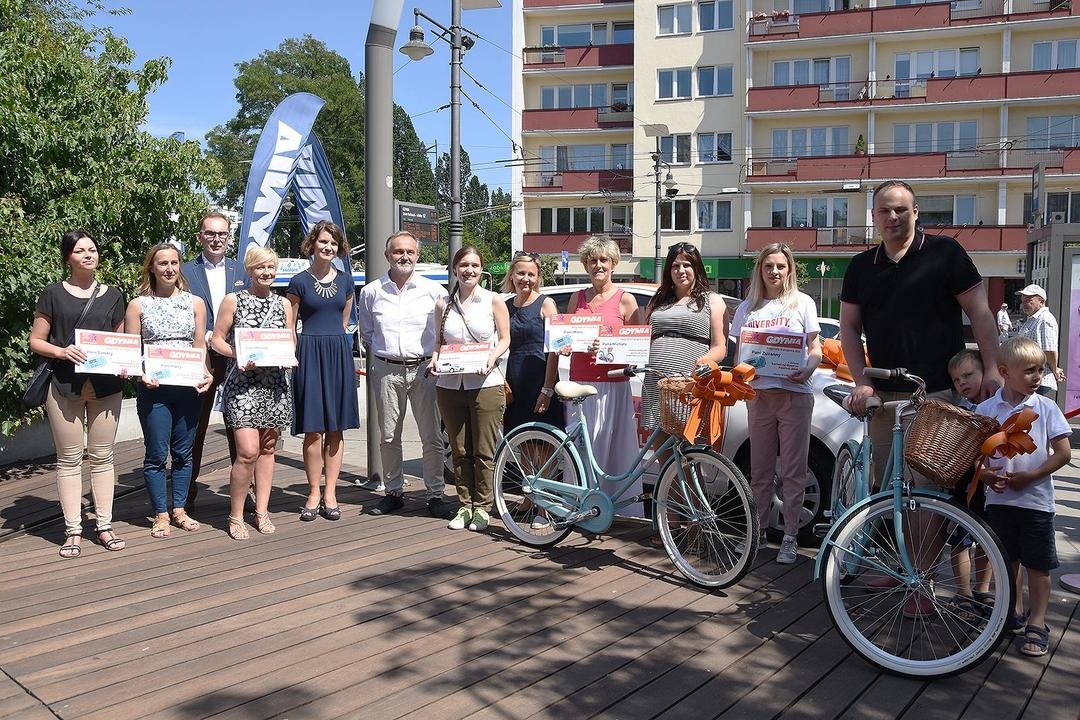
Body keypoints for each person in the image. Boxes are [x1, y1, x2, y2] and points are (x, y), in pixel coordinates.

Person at [840, 180, 1002, 616]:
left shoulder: (945, 253)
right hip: (883, 395)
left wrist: (991, 368)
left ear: (916, 213)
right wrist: (862, 381)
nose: (893, 217)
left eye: (901, 210)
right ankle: (904, 567)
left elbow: (980, 312)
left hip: (935, 394)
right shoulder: (861, 266)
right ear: (874, 217)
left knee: (927, 492)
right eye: (884, 211)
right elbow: (850, 330)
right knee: (892, 490)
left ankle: (922, 582)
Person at [29, 230, 128, 557]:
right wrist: (61, 352)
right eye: (80, 250)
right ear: (68, 257)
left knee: (102, 457)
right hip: (63, 385)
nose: (88, 255)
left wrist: (125, 363)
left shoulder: (114, 295)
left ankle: (103, 525)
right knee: (69, 459)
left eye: (92, 249)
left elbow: (121, 340)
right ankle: (72, 529)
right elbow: (36, 341)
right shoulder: (53, 294)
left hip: (106, 387)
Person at [975, 337, 1071, 658]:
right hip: (1000, 503)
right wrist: (987, 475)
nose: (1038, 376)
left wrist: (1032, 476)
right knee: (1006, 562)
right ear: (1004, 371)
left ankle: (1038, 620)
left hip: (1036, 503)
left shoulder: (1044, 407)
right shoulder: (986, 410)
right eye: (1029, 370)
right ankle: (1011, 612)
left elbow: (1063, 452)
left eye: (1041, 370)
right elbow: (975, 456)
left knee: (1038, 565)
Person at [730, 243, 821, 564]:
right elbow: (740, 354)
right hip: (760, 396)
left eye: (780, 266)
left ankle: (791, 536)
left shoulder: (803, 303)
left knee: (795, 471)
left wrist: (807, 369)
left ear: (789, 270)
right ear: (760, 270)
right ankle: (757, 535)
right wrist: (740, 376)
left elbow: (816, 349)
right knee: (760, 472)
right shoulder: (746, 308)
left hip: (795, 394)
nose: (774, 272)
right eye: (768, 266)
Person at [357, 231, 450, 519]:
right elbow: (367, 332)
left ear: (418, 255)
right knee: (388, 436)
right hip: (387, 369)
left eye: (410, 251)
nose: (404, 257)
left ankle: (435, 494)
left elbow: (444, 333)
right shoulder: (371, 291)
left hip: (424, 369)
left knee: (432, 436)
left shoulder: (435, 291)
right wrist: (387, 355)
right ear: (388, 255)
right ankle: (393, 492)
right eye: (398, 252)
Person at [125, 243, 213, 539]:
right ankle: (160, 514)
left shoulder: (195, 303)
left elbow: (199, 345)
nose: (169, 269)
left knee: (184, 453)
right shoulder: (138, 304)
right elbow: (130, 350)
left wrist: (207, 374)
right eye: (162, 263)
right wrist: (142, 372)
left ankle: (179, 509)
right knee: (156, 454)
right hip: (155, 390)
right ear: (151, 267)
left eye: (174, 263)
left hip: (188, 389)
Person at [210, 246, 294, 540]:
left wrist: (288, 356)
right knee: (247, 452)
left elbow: (290, 340)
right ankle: (235, 515)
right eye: (261, 267)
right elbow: (216, 340)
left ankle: (262, 511)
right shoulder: (233, 300)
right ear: (249, 270)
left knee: (268, 449)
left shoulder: (283, 304)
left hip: (274, 386)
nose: (267, 273)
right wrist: (237, 354)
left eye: (271, 267)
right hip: (243, 384)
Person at [431, 246, 510, 532]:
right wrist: (435, 360)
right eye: (464, 265)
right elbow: (438, 343)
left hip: (486, 383)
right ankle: (465, 505)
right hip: (450, 384)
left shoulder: (493, 300)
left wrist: (492, 357)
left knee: (484, 450)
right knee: (459, 449)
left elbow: (504, 338)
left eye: (475, 265)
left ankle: (483, 507)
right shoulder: (443, 303)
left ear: (482, 270)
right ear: (455, 269)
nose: (469, 270)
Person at [287, 220, 360, 522]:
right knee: (313, 429)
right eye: (323, 242)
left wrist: (339, 350)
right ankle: (313, 492)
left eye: (333, 243)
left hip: (337, 354)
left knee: (336, 428)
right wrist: (293, 358)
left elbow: (344, 322)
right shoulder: (299, 281)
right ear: (312, 244)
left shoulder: (345, 281)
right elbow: (290, 326)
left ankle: (331, 492)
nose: (328, 247)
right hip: (309, 354)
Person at [565, 235, 643, 515]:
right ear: (585, 264)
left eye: (604, 260)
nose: (598, 265)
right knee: (581, 447)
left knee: (616, 449)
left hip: (614, 384)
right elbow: (565, 338)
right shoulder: (577, 297)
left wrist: (609, 347)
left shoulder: (626, 300)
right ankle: (580, 504)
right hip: (580, 383)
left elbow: (636, 347)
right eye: (592, 260)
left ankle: (619, 510)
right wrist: (564, 346)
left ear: (613, 264)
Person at [183, 210, 248, 513]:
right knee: (194, 426)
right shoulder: (184, 271)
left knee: (240, 427)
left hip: (238, 358)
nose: (216, 238)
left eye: (222, 233)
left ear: (229, 237)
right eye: (210, 233)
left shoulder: (242, 271)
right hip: (201, 358)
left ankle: (243, 492)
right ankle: (187, 491)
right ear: (200, 237)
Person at [641, 242, 728, 442]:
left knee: (690, 455)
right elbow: (643, 338)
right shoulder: (658, 300)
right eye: (675, 266)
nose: (681, 270)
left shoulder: (712, 300)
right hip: (657, 385)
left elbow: (720, 347)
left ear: (696, 268)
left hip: (689, 385)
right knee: (663, 454)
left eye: (687, 265)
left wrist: (703, 362)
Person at [944, 349, 993, 617]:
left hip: (991, 486)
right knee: (961, 539)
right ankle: (963, 591)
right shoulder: (959, 410)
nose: (962, 383)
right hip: (963, 483)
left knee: (987, 540)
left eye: (968, 375)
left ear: (985, 373)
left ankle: (981, 589)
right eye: (956, 380)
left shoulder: (996, 405)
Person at [501, 251, 563, 433]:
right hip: (514, 382)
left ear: (537, 278)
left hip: (540, 380)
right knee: (521, 441)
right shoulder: (506, 306)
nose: (525, 279)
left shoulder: (546, 304)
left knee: (544, 442)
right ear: (511, 275)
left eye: (531, 274)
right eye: (521, 273)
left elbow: (556, 348)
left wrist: (547, 390)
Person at [1014, 284, 1065, 400]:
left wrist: (1055, 369)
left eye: (1029, 300)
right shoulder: (1032, 319)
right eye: (1023, 301)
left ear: (1041, 301)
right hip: (1029, 378)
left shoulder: (1045, 319)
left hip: (1039, 379)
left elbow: (1049, 350)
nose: (1024, 304)